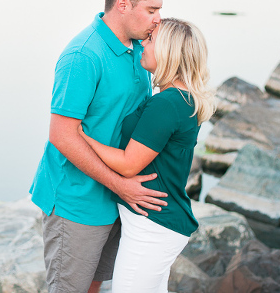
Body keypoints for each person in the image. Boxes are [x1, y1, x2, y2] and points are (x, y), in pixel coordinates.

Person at [29, 0, 168, 293]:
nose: (158, 19)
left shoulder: (139, 50)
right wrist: (121, 185)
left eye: (159, 11)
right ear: (123, 4)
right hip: (76, 201)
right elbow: (62, 135)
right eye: (152, 10)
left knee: (96, 286)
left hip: (118, 200)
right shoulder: (83, 56)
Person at [78, 18, 216, 293]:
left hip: (154, 225)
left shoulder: (168, 103)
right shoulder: (182, 98)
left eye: (151, 39)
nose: (143, 43)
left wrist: (82, 137)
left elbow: (129, 165)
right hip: (158, 222)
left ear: (168, 51)